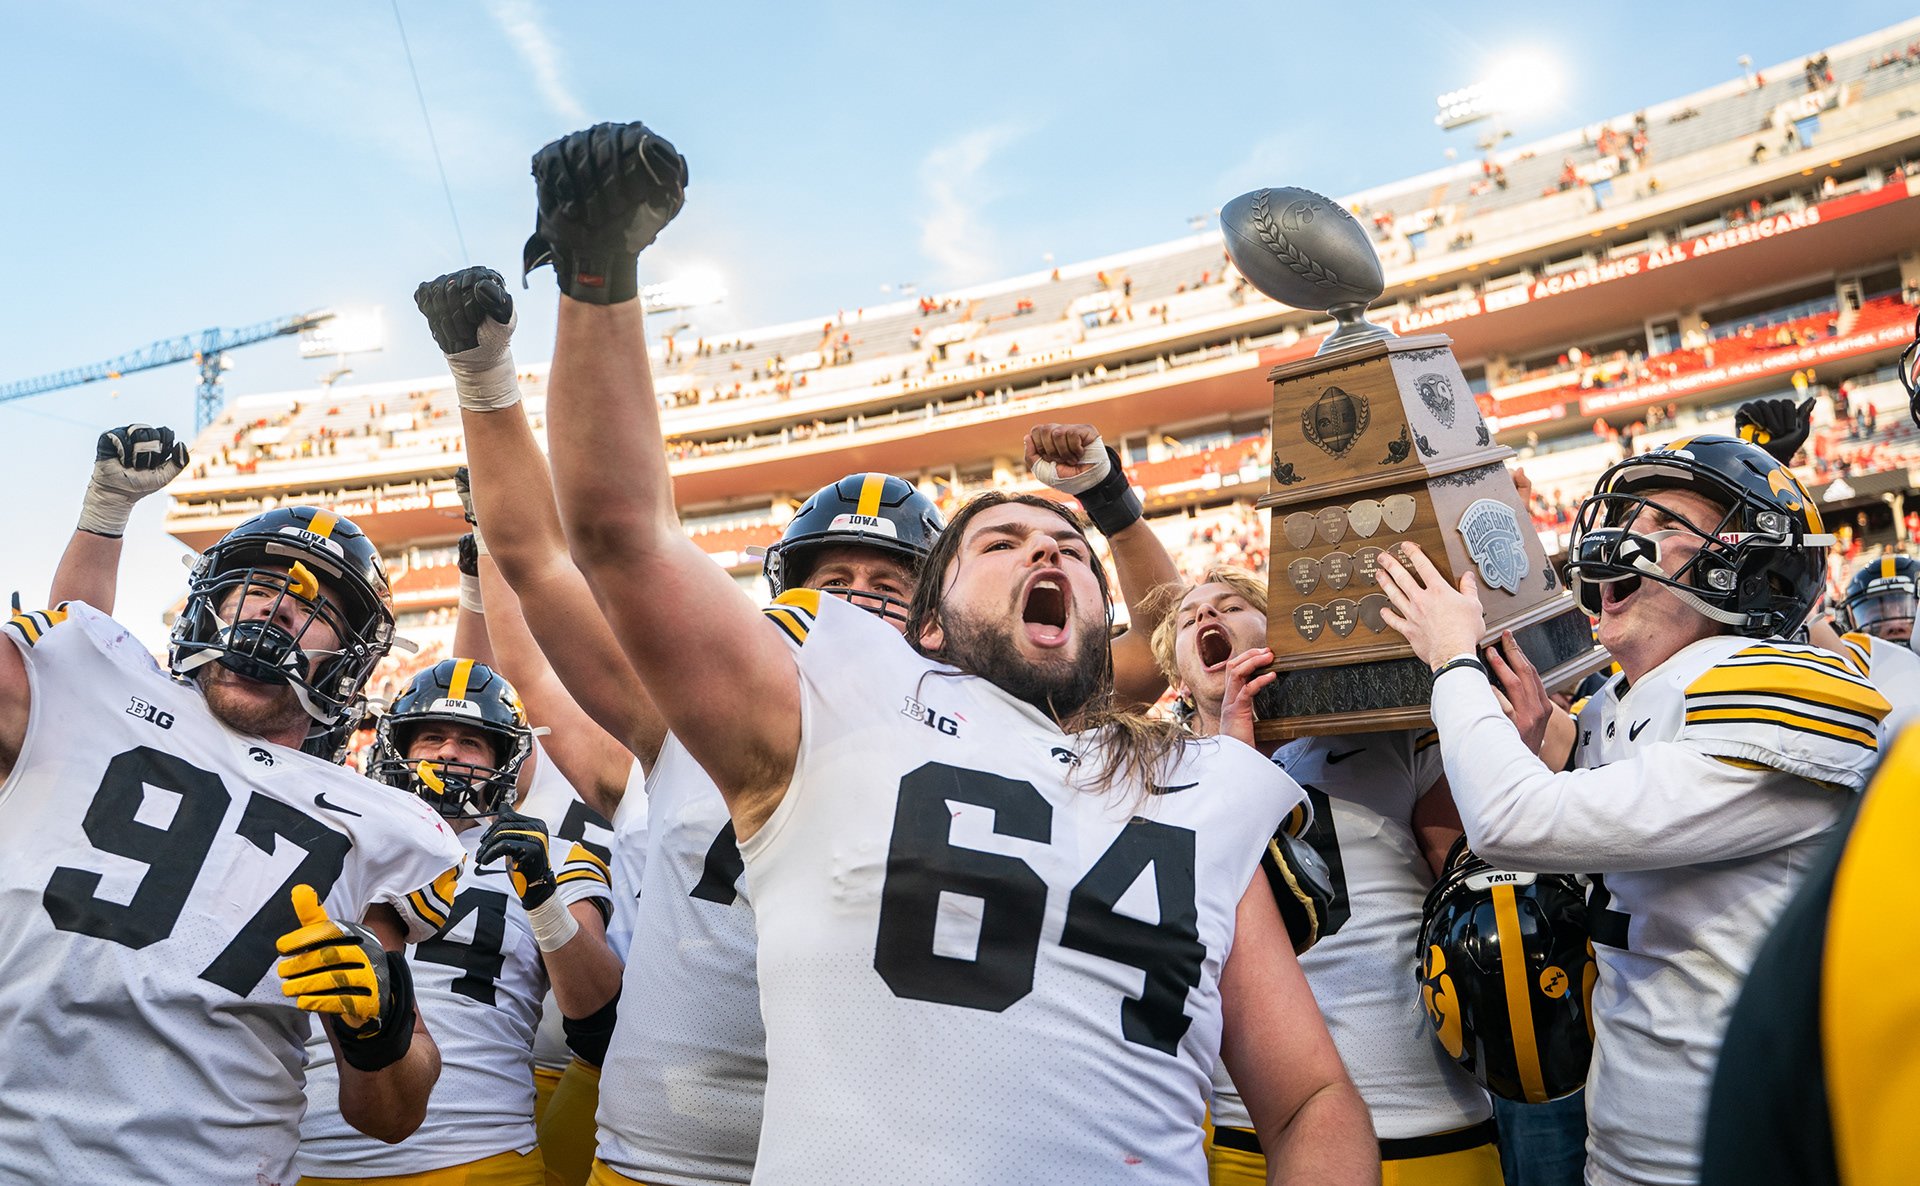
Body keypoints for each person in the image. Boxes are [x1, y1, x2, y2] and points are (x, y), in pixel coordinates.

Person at [527, 119, 1376, 1184]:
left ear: (1100, 620)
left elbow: (1308, 1094)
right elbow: (619, 532)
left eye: (1068, 545)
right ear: (928, 623)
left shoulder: (1194, 779)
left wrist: (1107, 505)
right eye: (1003, 541)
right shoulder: (833, 712)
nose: (1049, 550)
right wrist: (601, 271)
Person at [422, 253, 1193, 1184]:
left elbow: (1169, 643)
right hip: (665, 1153)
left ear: (940, 620)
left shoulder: (994, 728)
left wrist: (1108, 509)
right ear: (785, 595)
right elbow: (541, 581)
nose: (857, 606)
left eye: (886, 586)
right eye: (835, 583)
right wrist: (486, 384)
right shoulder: (688, 719)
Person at [1375, 434, 1890, 1185]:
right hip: (1622, 1145)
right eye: (1624, 521)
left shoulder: (1780, 693)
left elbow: (1515, 821)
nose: (1624, 540)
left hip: (1733, 1155)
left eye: (1663, 526)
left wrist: (1451, 659)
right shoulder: (1631, 697)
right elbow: (1598, 759)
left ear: (1749, 563)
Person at [0, 495, 465, 1185]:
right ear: (207, 603)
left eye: (318, 610)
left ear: (349, 662)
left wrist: (381, 1028)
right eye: (256, 585)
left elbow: (391, 1117)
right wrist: (103, 514)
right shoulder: (86, 684)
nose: (277, 608)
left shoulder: (378, 822)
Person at [1149, 565, 1504, 1186]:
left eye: (1230, 605)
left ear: (1279, 627)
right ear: (1178, 674)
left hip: (1424, 1110)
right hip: (1249, 1128)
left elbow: (1469, 886)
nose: (1207, 617)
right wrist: (1236, 757)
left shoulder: (1390, 733)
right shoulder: (1157, 779)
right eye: (1189, 617)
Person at [294, 659, 622, 1186]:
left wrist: (542, 897)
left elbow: (599, 1017)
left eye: (472, 742)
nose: (449, 752)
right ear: (399, 749)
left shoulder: (554, 856)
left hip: (479, 1154)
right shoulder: (336, 837)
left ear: (504, 760)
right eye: (432, 736)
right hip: (313, 1152)